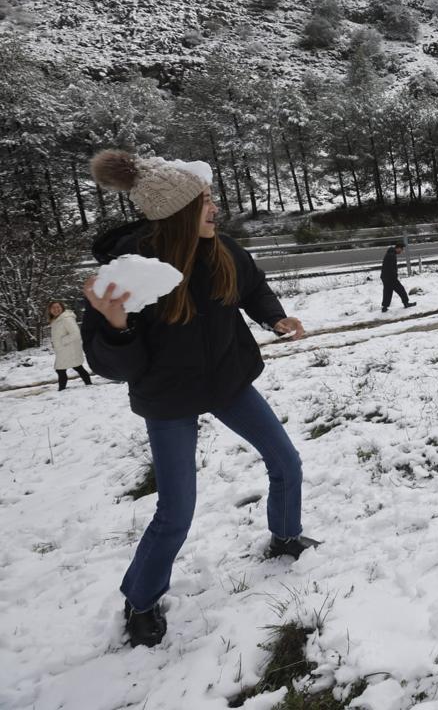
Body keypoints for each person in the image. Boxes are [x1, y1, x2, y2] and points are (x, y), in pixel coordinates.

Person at [82, 150, 318, 649]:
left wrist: (273, 317)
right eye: (205, 201)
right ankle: (142, 600)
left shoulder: (222, 249)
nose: (216, 209)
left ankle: (285, 535)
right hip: (169, 399)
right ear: (177, 214)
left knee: (286, 462)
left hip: (227, 382)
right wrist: (117, 327)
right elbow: (109, 366)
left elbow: (254, 288)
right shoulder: (131, 274)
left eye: (211, 198)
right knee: (176, 511)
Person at [47, 300, 92, 390]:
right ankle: (89, 384)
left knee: (60, 369)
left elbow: (76, 333)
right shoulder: (57, 320)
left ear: (62, 308)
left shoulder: (66, 319)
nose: (56, 309)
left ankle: (61, 389)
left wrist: (62, 341)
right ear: (50, 310)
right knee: (77, 367)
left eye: (58, 307)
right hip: (64, 350)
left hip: (68, 349)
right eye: (53, 308)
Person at [380, 241, 416, 313]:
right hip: (390, 277)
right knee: (401, 290)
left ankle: (385, 307)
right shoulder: (392, 255)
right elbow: (391, 268)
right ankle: (406, 303)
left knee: (387, 291)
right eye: (401, 249)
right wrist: (394, 276)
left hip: (385, 276)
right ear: (398, 248)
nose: (402, 251)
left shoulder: (390, 253)